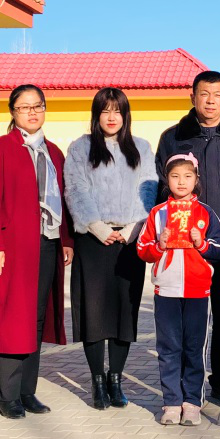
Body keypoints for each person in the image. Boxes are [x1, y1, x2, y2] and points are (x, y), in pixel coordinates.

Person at [155, 70, 220, 405]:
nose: (211, 101)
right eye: (204, 94)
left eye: (217, 95)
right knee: (187, 320)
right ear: (193, 97)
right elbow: (161, 190)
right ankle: (186, 386)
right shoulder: (173, 138)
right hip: (184, 246)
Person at [0, 84, 75, 419]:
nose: (32, 112)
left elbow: (62, 200)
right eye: (24, 107)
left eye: (38, 106)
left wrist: (66, 239)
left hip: (46, 244)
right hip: (12, 247)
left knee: (36, 317)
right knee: (11, 317)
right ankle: (7, 395)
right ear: (13, 112)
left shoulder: (54, 153)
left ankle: (27, 390)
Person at [64, 87, 158, 410]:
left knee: (123, 313)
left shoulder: (141, 148)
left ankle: (116, 379)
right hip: (93, 241)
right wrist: (99, 228)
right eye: (105, 110)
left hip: (130, 241)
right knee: (93, 313)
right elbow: (75, 189)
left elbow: (149, 190)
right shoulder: (81, 148)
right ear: (96, 115)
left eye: (117, 110)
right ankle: (96, 380)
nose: (111, 117)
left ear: (125, 114)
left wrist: (133, 229)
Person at [136, 153, 220, 426]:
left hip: (198, 290)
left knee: (194, 348)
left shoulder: (206, 213)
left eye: (187, 176)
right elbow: (142, 249)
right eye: (175, 176)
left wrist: (201, 244)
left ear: (196, 179)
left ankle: (192, 402)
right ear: (167, 180)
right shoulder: (157, 213)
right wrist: (160, 245)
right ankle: (172, 402)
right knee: (169, 348)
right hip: (166, 290)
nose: (181, 182)